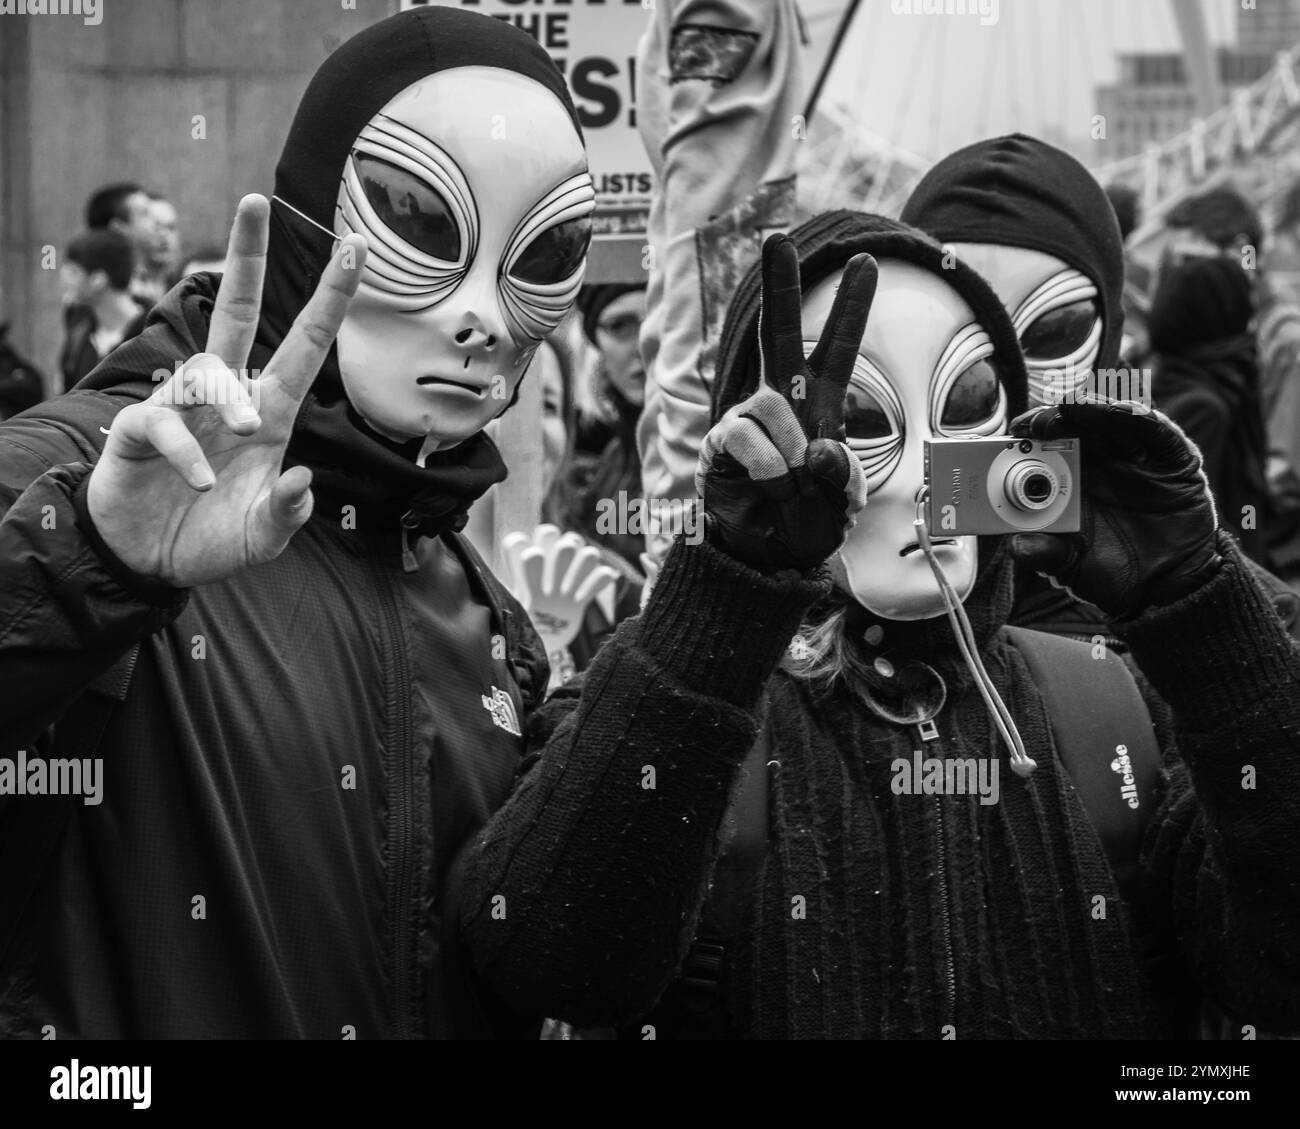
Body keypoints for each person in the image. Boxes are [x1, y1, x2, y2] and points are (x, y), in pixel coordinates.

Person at [453, 214, 1300, 1041]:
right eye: (859, 421)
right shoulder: (671, 703)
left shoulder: (1118, 714)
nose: (929, 478)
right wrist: (718, 605)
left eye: (965, 406)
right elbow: (551, 960)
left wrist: (1204, 617)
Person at [0, 5, 601, 1039]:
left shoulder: (467, 595)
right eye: (420, 219)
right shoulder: (74, 470)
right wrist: (86, 563)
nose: (484, 320)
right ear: (310, 223)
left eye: (544, 253)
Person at [899, 136, 1299, 639]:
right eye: (957, 334)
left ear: (1108, 338)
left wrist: (1187, 599)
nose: (1001, 381)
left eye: (1052, 329)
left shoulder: (1244, 616)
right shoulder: (840, 567)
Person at [1149, 255, 1271, 567]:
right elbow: (1203, 521)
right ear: (1223, 314)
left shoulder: (1174, 379)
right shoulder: (1204, 406)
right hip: (1229, 579)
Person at [57, 229, 149, 388]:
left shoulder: (154, 331)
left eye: (73, 272)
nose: (64, 281)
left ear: (98, 279)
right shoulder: (78, 335)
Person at [84, 181, 160, 306]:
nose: (157, 222)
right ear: (118, 229)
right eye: (145, 214)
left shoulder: (155, 277)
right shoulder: (98, 290)